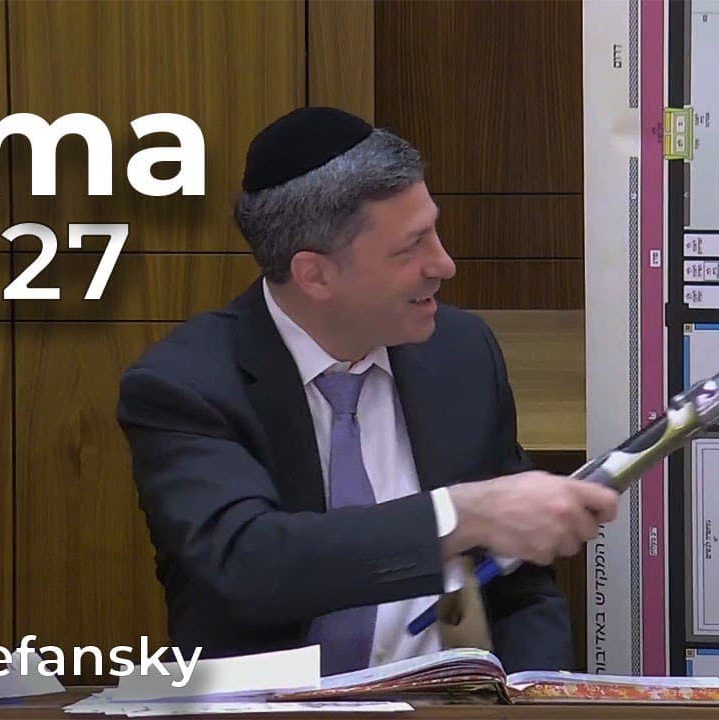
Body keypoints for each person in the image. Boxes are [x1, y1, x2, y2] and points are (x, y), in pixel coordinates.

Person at [116, 107, 619, 676]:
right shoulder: (186, 384)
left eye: (434, 230)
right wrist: (460, 514)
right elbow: (246, 563)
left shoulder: (460, 353)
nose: (445, 264)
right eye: (411, 247)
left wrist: (529, 698)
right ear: (315, 275)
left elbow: (520, 585)